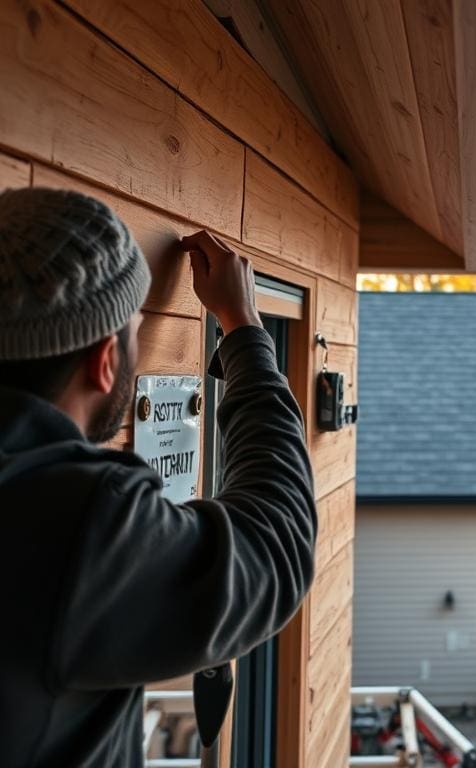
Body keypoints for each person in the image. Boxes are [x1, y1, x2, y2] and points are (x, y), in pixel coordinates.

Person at [0, 188, 316, 766]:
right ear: (104, 360)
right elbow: (276, 544)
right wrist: (245, 327)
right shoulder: (78, 520)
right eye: (134, 328)